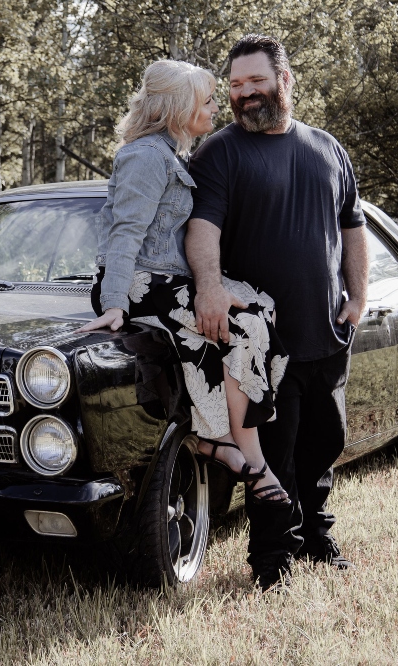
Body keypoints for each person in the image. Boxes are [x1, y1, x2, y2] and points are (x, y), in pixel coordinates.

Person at [186, 35, 369, 591]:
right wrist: (210, 288)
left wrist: (357, 298)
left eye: (255, 82)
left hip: (327, 332)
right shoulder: (220, 152)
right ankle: (272, 561)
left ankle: (316, 534)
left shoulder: (328, 148)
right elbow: (202, 229)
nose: (244, 95)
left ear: (284, 81)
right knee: (274, 456)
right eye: (236, 86)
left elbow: (353, 229)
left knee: (325, 444)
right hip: (264, 344)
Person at [78, 59, 290, 506]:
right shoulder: (145, 156)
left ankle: (219, 437)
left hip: (165, 279)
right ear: (179, 106)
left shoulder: (172, 152)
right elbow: (125, 233)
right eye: (208, 99)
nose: (217, 107)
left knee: (263, 305)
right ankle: (243, 452)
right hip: (137, 285)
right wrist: (114, 303)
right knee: (245, 327)